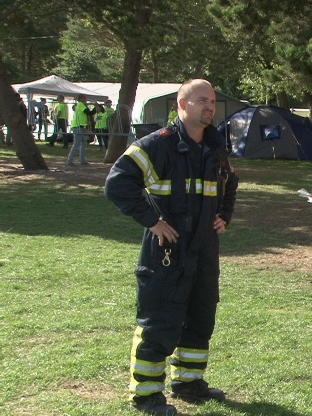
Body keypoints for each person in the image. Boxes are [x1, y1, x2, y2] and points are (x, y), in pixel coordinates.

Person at [105, 79, 238, 416]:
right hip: (167, 249)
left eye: (213, 101)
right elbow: (118, 183)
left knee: (200, 315)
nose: (210, 106)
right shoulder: (157, 145)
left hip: (204, 248)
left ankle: (189, 383)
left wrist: (225, 214)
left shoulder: (215, 146)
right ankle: (146, 395)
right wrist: (152, 220)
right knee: (159, 319)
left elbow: (230, 181)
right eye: (202, 100)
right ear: (182, 104)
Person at [66, 95, 95, 166]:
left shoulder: (81, 105)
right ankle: (70, 160)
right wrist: (95, 107)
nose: (86, 100)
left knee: (83, 143)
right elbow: (89, 113)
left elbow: (89, 113)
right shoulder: (80, 104)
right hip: (78, 126)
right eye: (85, 98)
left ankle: (83, 160)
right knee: (77, 144)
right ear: (81, 99)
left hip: (82, 127)